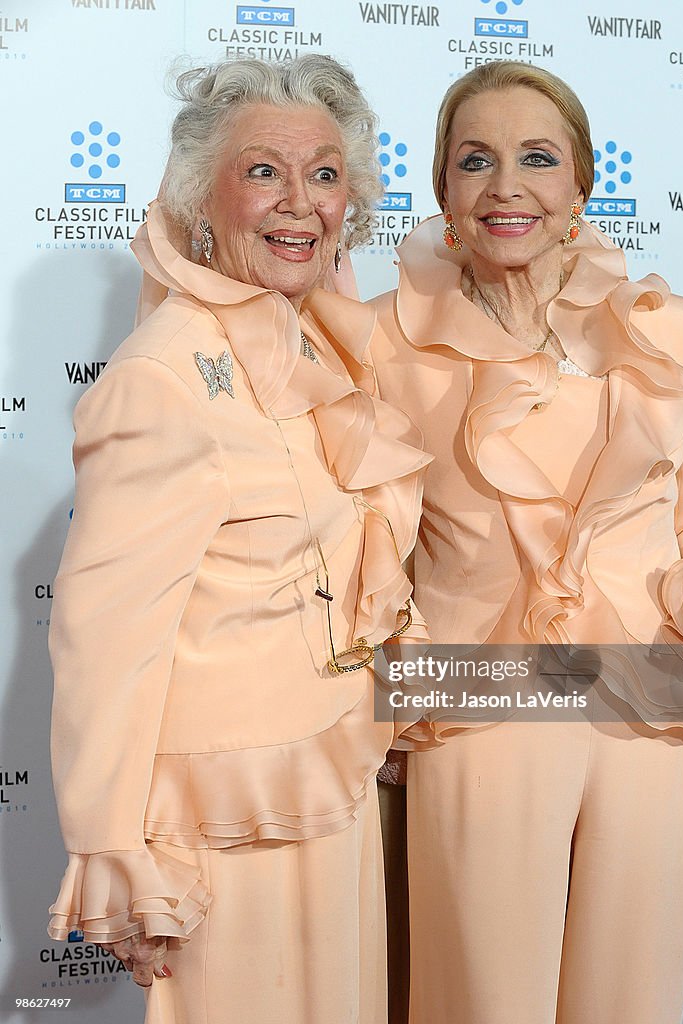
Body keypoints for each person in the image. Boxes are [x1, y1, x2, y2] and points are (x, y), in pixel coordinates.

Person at [370, 61, 683, 1024]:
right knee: (481, 1002)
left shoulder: (667, 328)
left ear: (581, 186)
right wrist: (390, 698)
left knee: (629, 1000)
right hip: (480, 700)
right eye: (476, 160)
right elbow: (369, 551)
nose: (506, 184)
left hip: (655, 693)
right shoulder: (387, 340)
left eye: (537, 158)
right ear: (443, 189)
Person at [47, 55, 430, 1024]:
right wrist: (116, 852)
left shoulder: (319, 346)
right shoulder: (163, 375)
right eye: (263, 171)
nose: (299, 201)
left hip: (327, 783)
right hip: (221, 824)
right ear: (202, 200)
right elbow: (103, 640)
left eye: (325, 173)